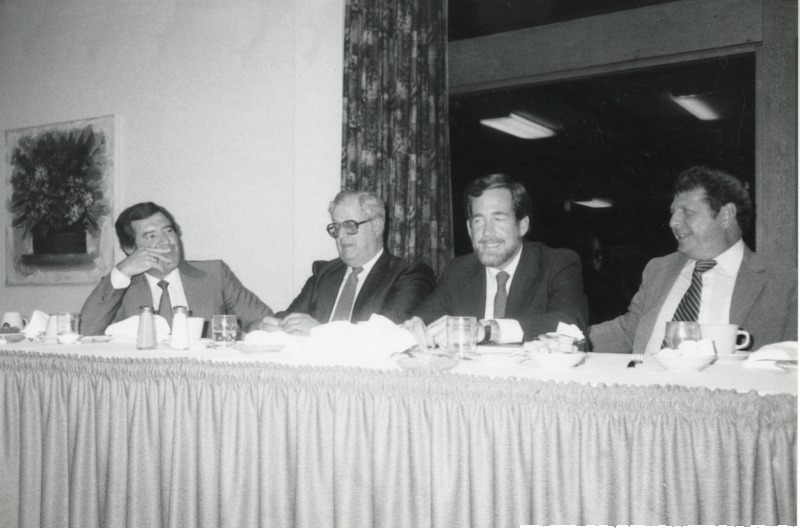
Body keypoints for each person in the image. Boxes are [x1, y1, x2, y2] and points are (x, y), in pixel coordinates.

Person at [589, 166, 797, 353]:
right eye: (672, 213)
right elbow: (629, 330)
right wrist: (568, 338)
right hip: (647, 390)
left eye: (687, 212)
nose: (672, 222)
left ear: (726, 216)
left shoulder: (785, 282)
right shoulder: (658, 269)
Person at [404, 174, 588, 348]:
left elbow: (570, 324)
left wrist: (489, 330)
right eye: (478, 221)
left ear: (522, 225)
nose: (487, 232)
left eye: (498, 219)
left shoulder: (557, 263)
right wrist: (416, 326)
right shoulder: (458, 270)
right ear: (469, 228)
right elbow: (426, 318)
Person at [80, 202, 273, 336]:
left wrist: (267, 331)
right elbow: (87, 330)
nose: (166, 241)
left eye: (168, 231)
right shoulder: (119, 286)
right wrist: (122, 271)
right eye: (151, 236)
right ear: (131, 249)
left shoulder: (215, 274)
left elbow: (262, 320)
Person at [259, 190, 435, 335]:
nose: (341, 235)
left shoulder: (410, 275)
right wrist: (275, 325)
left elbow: (384, 335)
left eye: (350, 225)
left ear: (377, 226)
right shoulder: (323, 272)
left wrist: (320, 333)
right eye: (336, 227)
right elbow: (290, 316)